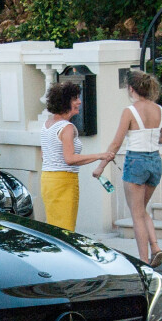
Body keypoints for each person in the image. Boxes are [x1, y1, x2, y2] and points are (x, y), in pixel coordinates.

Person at [93, 68, 162, 266]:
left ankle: (143, 260)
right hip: (155, 161)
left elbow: (116, 143)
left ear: (131, 89)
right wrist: (151, 138)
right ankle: (155, 247)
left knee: (136, 214)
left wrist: (101, 167)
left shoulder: (130, 111)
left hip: (136, 161)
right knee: (142, 209)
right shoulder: (159, 110)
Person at [41, 81, 113, 231]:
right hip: (64, 180)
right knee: (66, 228)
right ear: (65, 102)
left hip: (48, 179)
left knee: (54, 227)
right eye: (75, 99)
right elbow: (70, 159)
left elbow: (44, 154)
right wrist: (100, 156)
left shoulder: (47, 124)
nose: (79, 102)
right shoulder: (67, 127)